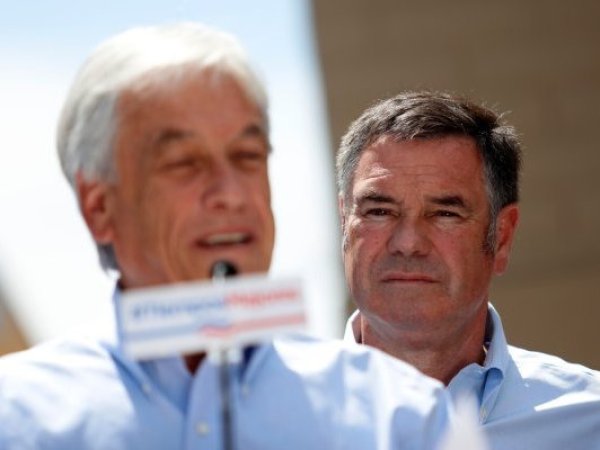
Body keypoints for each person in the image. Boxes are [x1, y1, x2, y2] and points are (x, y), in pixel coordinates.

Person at [0, 25, 457, 450]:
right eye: (184, 163)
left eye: (246, 156)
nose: (232, 194)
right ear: (99, 207)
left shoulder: (401, 417)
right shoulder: (15, 416)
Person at [337, 91, 600, 449]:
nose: (408, 242)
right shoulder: (271, 428)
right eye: (379, 211)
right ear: (344, 223)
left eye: (445, 213)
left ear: (501, 237)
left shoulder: (589, 421)